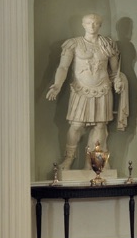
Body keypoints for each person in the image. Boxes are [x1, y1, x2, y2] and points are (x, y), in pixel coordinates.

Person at [45, 13, 128, 169]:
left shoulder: (107, 44)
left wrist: (118, 80)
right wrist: (57, 85)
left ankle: (94, 164)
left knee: (100, 126)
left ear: (100, 25)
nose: (92, 26)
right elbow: (63, 67)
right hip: (81, 89)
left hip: (103, 89)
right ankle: (68, 160)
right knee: (76, 125)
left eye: (96, 23)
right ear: (83, 24)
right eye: (89, 23)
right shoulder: (73, 44)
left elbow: (115, 71)